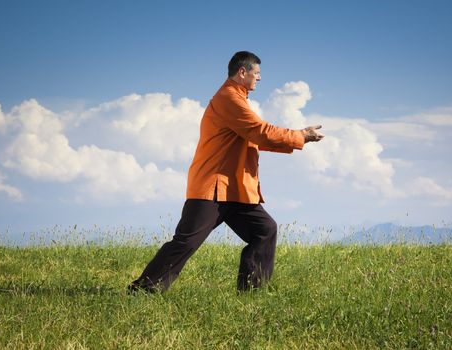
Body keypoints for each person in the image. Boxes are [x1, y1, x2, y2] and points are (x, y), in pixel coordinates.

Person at [128, 51, 324, 293]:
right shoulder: (229, 98)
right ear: (243, 72)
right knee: (186, 242)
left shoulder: (237, 99)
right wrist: (300, 135)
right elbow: (259, 131)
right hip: (212, 188)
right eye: (257, 73)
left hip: (234, 191)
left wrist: (298, 139)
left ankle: (251, 293)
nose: (260, 78)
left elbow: (255, 137)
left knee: (265, 230)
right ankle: (142, 290)